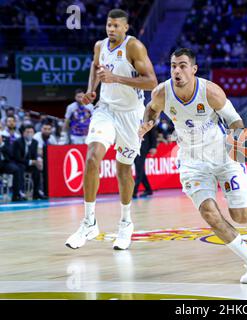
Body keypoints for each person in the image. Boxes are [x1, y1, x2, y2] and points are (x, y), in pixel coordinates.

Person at [138, 48, 247, 284]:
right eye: (173, 65)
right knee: (209, 213)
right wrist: (147, 124)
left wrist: (239, 149)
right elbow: (151, 109)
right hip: (191, 161)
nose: (177, 70)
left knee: (242, 217)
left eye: (183, 65)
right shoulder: (161, 93)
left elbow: (235, 119)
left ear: (194, 69)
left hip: (222, 156)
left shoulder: (210, 91)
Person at [65, 9, 158, 250]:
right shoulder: (99, 46)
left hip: (130, 114)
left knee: (124, 170)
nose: (111, 29)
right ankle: (89, 222)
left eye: (116, 26)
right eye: (108, 25)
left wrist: (116, 78)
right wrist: (91, 89)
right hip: (105, 109)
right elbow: (95, 68)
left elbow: (151, 82)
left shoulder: (134, 47)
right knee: (92, 156)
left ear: (126, 28)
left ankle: (126, 223)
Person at [12, 125, 45, 200]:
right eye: (27, 132)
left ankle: (36, 192)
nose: (29, 133)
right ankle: (20, 192)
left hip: (29, 164)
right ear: (23, 133)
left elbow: (34, 156)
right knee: (20, 167)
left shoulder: (35, 142)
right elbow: (17, 158)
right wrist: (31, 161)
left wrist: (37, 161)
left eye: (31, 132)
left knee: (37, 168)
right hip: (18, 163)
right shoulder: (17, 142)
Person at [33, 119, 57, 197]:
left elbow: (57, 150)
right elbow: (38, 152)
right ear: (41, 129)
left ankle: (55, 189)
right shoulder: (37, 136)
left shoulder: (52, 138)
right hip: (38, 159)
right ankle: (42, 190)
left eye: (49, 129)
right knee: (42, 164)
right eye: (45, 129)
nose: (47, 131)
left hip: (50, 160)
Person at [133, 127, 157, 199]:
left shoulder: (146, 117)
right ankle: (148, 189)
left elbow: (152, 132)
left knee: (139, 168)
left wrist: (153, 146)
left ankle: (133, 191)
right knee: (140, 170)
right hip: (133, 146)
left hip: (143, 146)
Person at [0, 134, 25, 201]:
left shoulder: (6, 139)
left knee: (16, 170)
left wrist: (2, 144)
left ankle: (16, 195)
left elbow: (10, 153)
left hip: (5, 163)